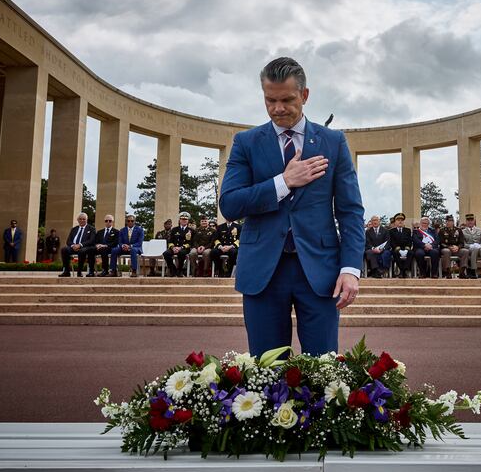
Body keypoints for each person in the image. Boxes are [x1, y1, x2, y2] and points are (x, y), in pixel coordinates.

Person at [219, 56, 364, 357]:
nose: (278, 108)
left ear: (305, 95)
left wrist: (351, 268)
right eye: (270, 100)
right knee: (267, 372)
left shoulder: (333, 142)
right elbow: (230, 204)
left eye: (287, 99)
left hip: (320, 271)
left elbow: (350, 211)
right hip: (262, 273)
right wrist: (283, 182)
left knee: (323, 370)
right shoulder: (245, 142)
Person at [59, 213, 96, 277]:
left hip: (85, 248)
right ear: (78, 220)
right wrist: (73, 245)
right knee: (64, 249)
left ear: (87, 220)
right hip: (73, 247)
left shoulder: (91, 229)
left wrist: (80, 245)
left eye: (84, 219)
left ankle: (79, 271)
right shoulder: (74, 229)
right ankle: (66, 271)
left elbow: (91, 241)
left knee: (82, 251)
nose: (82, 220)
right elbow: (68, 241)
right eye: (80, 219)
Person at [164, 211, 194, 277]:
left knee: (182, 253)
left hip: (184, 248)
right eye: (182, 219)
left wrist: (181, 248)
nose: (184, 220)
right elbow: (170, 241)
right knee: (166, 254)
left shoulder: (191, 230)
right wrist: (173, 248)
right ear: (179, 220)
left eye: (185, 219)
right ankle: (173, 269)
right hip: (174, 247)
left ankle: (180, 270)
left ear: (188, 220)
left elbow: (191, 243)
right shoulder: (174, 229)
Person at [462, 213, 481, 279]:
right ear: (466, 221)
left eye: (471, 220)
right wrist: (471, 246)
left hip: (479, 248)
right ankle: (473, 270)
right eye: (468, 220)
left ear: (474, 221)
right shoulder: (463, 231)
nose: (470, 222)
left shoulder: (480, 230)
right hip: (469, 249)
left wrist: (479, 245)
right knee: (475, 249)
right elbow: (463, 244)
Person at [388, 213, 413, 278]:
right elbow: (391, 241)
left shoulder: (407, 230)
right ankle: (402, 271)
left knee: (411, 253)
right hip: (396, 248)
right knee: (395, 253)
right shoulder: (391, 231)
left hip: (406, 248)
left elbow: (409, 240)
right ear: (395, 222)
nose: (400, 221)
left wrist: (407, 248)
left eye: (402, 220)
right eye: (398, 220)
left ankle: (404, 270)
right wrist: (396, 248)